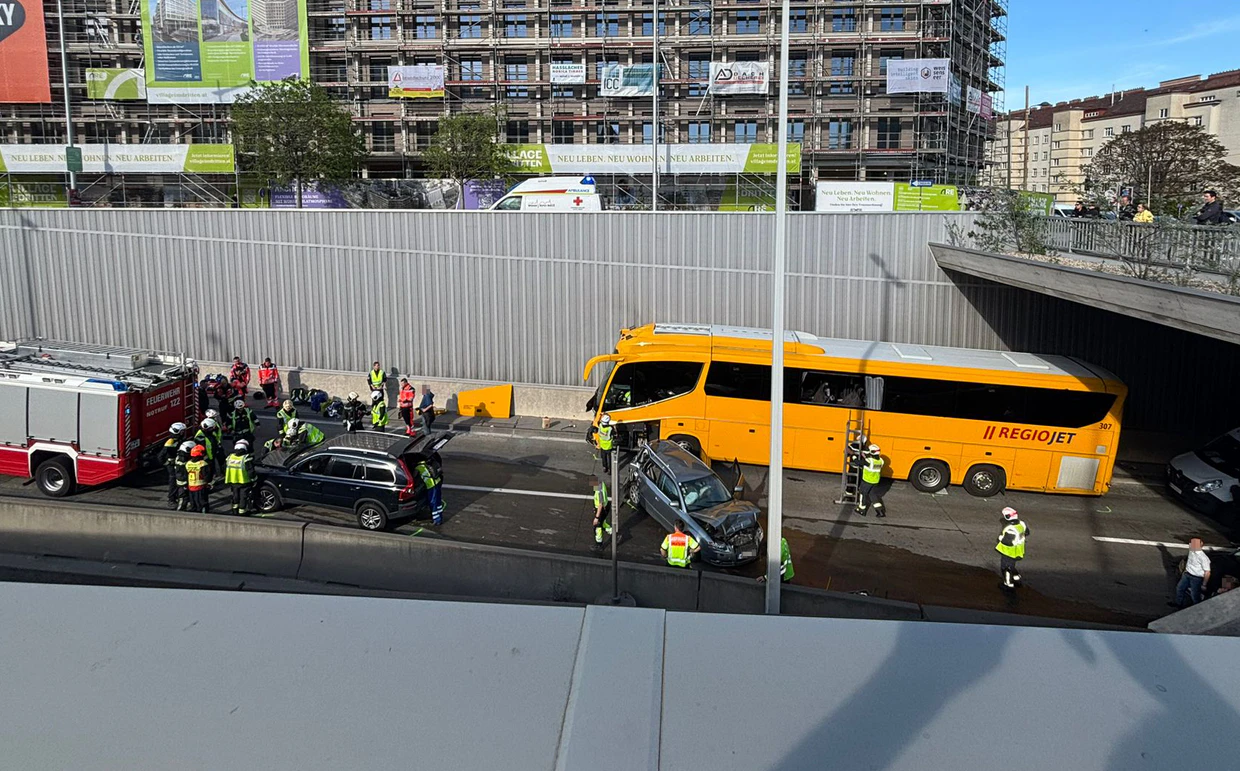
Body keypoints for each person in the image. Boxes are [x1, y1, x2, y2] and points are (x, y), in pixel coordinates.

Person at [996, 506, 1030, 589]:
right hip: (1018, 549)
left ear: (1007, 517)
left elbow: (1007, 542)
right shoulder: (1022, 524)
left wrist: (1000, 538)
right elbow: (1027, 532)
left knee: (1005, 567)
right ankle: (1016, 578)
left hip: (1009, 551)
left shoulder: (1010, 528)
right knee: (1012, 565)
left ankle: (1008, 583)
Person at [1172, 537, 1212, 608]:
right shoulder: (1191, 550)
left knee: (1195, 595)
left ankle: (1197, 608)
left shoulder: (1203, 558)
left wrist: (1204, 584)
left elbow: (1207, 572)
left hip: (1196, 578)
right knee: (1180, 588)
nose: (1190, 545)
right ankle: (1178, 604)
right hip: (1187, 574)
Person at [224, 440, 256, 516]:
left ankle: (235, 510)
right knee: (243, 497)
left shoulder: (230, 458)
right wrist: (254, 480)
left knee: (235, 496)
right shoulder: (245, 458)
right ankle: (242, 512)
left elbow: (224, 468)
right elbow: (251, 472)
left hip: (233, 481)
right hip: (244, 482)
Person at [856, 443, 885, 517]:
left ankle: (861, 510)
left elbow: (858, 462)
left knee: (863, 493)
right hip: (875, 481)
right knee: (873, 495)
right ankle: (880, 511)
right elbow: (872, 461)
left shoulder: (869, 461)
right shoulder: (881, 461)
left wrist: (854, 457)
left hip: (867, 481)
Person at [162, 422, 188, 509]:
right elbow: (160, 456)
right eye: (182, 431)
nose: (183, 433)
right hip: (172, 465)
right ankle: (171, 500)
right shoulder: (170, 442)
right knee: (173, 481)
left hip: (177, 463)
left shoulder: (178, 440)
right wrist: (167, 463)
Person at [415, 459, 444, 525]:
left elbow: (415, 478)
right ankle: (439, 517)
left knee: (432, 502)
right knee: (438, 502)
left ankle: (436, 520)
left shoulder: (418, 467)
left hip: (431, 486)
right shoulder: (428, 463)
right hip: (437, 482)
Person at [185, 444, 212, 513]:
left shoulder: (188, 463)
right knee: (202, 502)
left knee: (193, 503)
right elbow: (207, 476)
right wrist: (208, 483)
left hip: (191, 487)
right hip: (200, 487)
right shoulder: (202, 464)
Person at [173, 440, 195, 511]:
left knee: (185, 497)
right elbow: (185, 471)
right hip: (183, 482)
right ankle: (180, 511)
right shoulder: (183, 459)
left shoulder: (180, 455)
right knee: (183, 498)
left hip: (182, 480)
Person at [591, 475, 613, 545]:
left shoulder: (599, 490)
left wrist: (597, 517)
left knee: (597, 526)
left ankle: (599, 543)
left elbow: (600, 504)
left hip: (602, 509)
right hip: (605, 507)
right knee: (603, 523)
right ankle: (613, 532)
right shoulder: (600, 483)